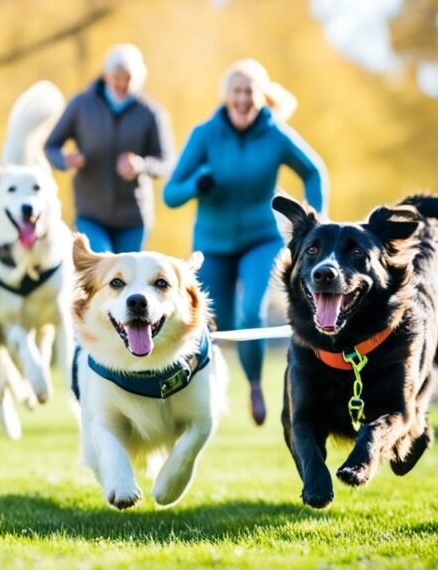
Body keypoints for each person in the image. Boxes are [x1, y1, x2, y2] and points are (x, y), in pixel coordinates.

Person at [163, 59, 328, 426]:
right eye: (236, 92)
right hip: (213, 244)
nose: (242, 99)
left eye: (249, 93)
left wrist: (316, 218)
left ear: (260, 98)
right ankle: (201, 389)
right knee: (212, 322)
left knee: (250, 313)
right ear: (226, 97)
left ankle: (254, 384)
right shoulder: (205, 134)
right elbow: (171, 194)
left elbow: (314, 170)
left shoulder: (275, 134)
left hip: (261, 239)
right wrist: (196, 185)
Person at [45, 43, 174, 253]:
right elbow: (51, 146)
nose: (122, 84)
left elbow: (166, 161)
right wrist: (65, 160)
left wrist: (140, 165)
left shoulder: (151, 113)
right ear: (106, 75)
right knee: (103, 262)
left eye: (128, 78)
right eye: (117, 77)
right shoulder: (81, 105)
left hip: (133, 218)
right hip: (90, 213)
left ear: (139, 78)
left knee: (125, 279)